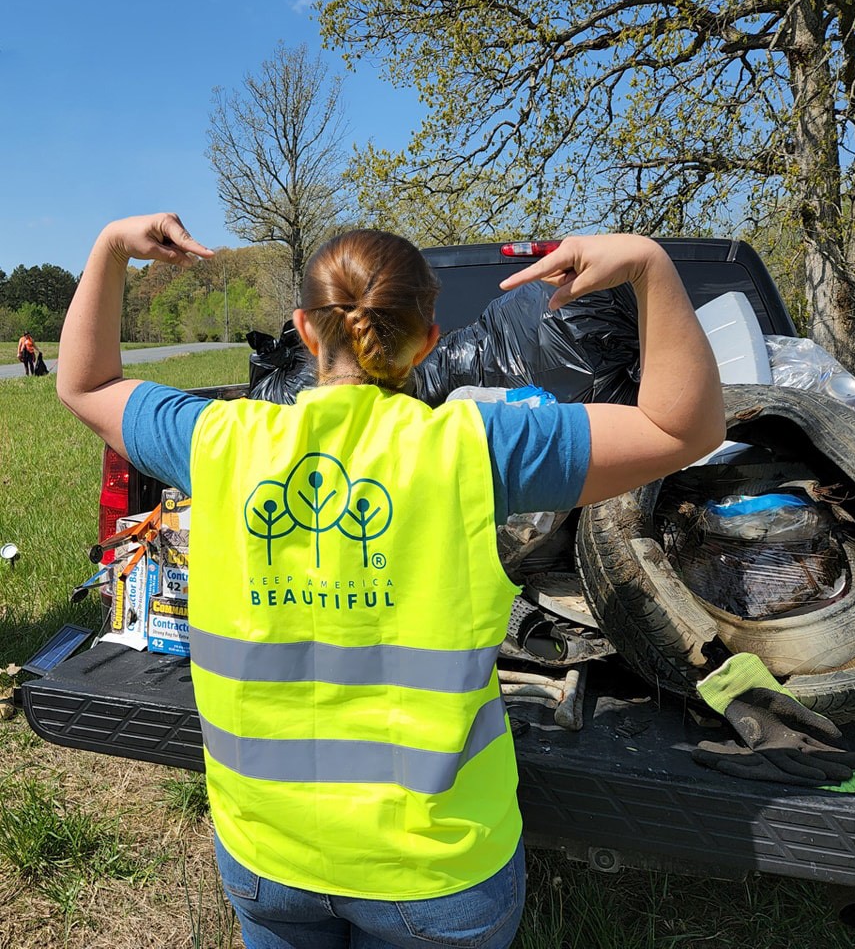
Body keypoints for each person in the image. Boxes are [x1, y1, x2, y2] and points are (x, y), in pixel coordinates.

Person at [57, 213, 724, 949]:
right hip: (434, 869)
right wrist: (649, 269)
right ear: (429, 343)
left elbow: (85, 382)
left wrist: (112, 247)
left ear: (305, 334)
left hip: (267, 855)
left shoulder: (217, 440)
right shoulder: (477, 450)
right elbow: (681, 428)